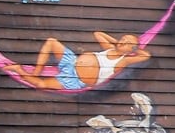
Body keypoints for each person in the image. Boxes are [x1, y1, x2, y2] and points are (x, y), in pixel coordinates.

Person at [12, 32, 152, 91]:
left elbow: (145, 55)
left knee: (41, 85)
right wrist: (117, 43)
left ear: (132, 49)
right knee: (51, 42)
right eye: (123, 39)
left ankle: (18, 70)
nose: (123, 42)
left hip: (74, 79)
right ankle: (37, 71)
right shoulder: (109, 48)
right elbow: (98, 34)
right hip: (72, 62)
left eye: (127, 43)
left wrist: (133, 48)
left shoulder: (124, 60)